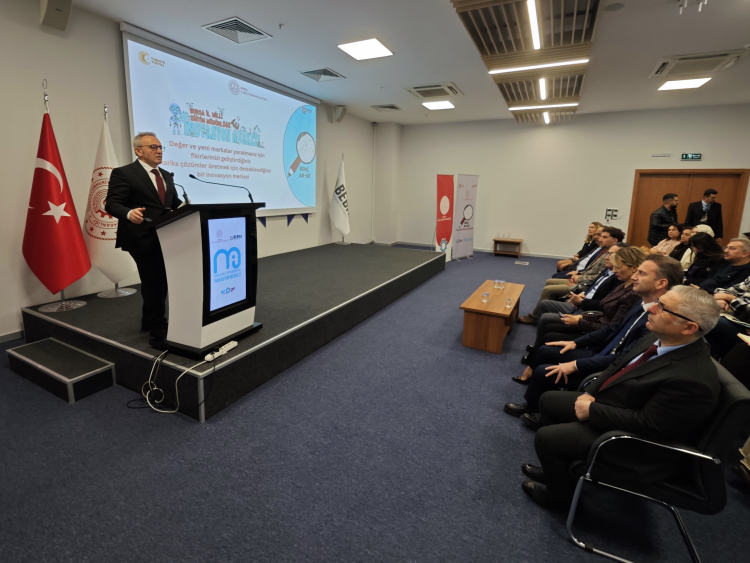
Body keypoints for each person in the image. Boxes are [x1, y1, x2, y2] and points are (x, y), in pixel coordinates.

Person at [521, 286, 721, 507]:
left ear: (689, 327)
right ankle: (558, 472)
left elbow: (650, 425)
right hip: (618, 406)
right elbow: (617, 365)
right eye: (658, 302)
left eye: (663, 308)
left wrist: (592, 410)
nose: (651, 308)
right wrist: (589, 393)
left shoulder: (694, 379)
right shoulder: (658, 336)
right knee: (548, 401)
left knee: (546, 438)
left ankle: (558, 499)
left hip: (634, 443)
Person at [505, 256, 683, 427]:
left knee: (544, 372)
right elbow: (613, 328)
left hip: (609, 369)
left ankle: (542, 412)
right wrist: (576, 343)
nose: (634, 276)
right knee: (546, 350)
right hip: (602, 352)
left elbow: (624, 358)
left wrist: (576, 365)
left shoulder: (657, 320)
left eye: (641, 273)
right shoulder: (642, 302)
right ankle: (534, 403)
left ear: (661, 283)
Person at [516, 247, 646, 379]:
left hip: (597, 334)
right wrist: (582, 317)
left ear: (633, 268)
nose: (614, 270)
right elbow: (605, 312)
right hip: (593, 320)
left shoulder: (632, 293)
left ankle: (534, 367)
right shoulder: (623, 284)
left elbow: (612, 327)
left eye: (618, 267)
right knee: (548, 327)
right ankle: (534, 363)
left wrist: (580, 321)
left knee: (549, 333)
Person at [105, 133, 182, 334]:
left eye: (160, 147)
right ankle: (156, 325)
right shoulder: (124, 173)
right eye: (153, 147)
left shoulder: (166, 175)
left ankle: (150, 321)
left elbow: (173, 203)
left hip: (166, 234)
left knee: (159, 280)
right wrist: (129, 213)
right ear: (138, 151)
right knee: (154, 280)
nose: (159, 151)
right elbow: (112, 203)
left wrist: (189, 207)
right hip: (141, 235)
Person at [519, 227, 625, 324]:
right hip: (583, 280)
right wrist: (579, 273)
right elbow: (588, 264)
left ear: (615, 240)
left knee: (549, 289)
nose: (600, 239)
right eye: (599, 236)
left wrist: (580, 279)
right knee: (552, 279)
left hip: (584, 284)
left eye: (604, 237)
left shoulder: (611, 264)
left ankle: (536, 317)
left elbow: (595, 281)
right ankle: (546, 310)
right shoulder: (602, 251)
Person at [703, 274, 750, 360]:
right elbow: (729, 290)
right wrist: (722, 298)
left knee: (713, 321)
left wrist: (730, 298)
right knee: (700, 310)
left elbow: (746, 308)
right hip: (734, 316)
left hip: (746, 329)